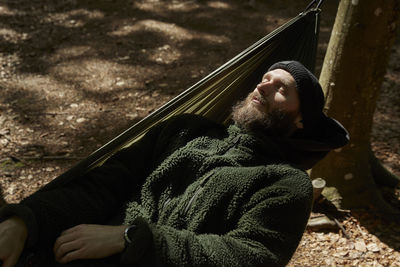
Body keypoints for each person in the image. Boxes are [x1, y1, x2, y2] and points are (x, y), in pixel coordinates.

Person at [0, 61, 349, 267]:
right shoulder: (185, 130)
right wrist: (27, 220)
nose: (264, 86)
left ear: (301, 120)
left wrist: (132, 239)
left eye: (282, 89)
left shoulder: (285, 182)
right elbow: (101, 185)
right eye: (266, 79)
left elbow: (251, 257)